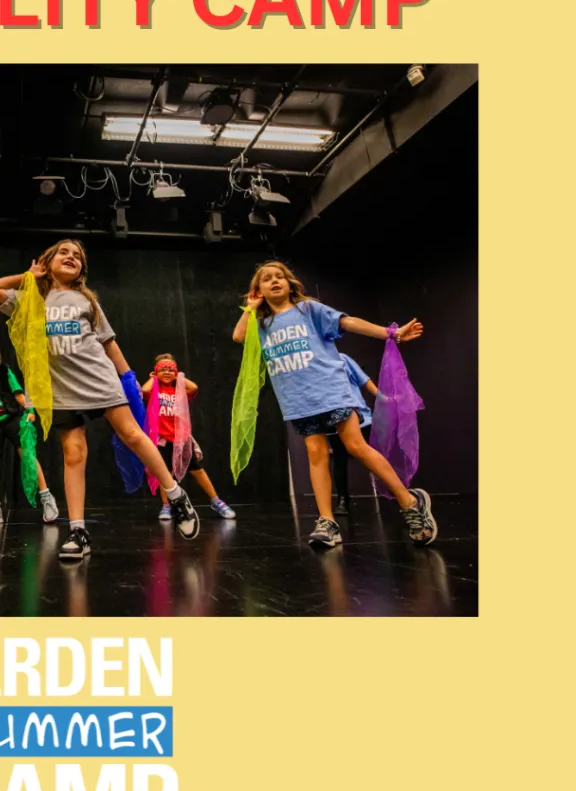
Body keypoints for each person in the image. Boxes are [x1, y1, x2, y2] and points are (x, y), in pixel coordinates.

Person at [0, 240, 199, 560]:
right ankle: (78, 531)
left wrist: (129, 378)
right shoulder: (28, 298)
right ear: (47, 261)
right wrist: (26, 277)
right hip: (61, 389)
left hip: (99, 379)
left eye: (77, 256)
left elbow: (108, 343)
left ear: (82, 269)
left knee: (133, 435)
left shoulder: (86, 299)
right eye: (64, 253)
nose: (71, 257)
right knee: (73, 453)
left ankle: (176, 496)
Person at [232, 261, 437, 549]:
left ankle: (410, 502)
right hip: (297, 399)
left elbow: (348, 322)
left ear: (290, 284)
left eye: (280, 276)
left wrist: (390, 333)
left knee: (355, 446)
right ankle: (327, 522)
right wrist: (251, 309)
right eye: (267, 279)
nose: (274, 281)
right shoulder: (261, 323)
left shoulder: (308, 310)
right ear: (258, 290)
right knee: (316, 454)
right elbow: (239, 337)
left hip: (330, 390)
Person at [142, 353, 235, 521]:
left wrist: (179, 377)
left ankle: (216, 501)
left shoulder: (180, 391)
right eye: (162, 369)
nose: (167, 372)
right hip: (162, 440)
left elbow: (194, 388)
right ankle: (166, 506)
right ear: (155, 372)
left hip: (181, 440)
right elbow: (144, 390)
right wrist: (154, 378)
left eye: (171, 369)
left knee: (197, 470)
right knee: (164, 473)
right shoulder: (155, 391)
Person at [0, 353, 59, 522]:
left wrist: (31, 410)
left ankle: (46, 497)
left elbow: (19, 395)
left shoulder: (4, 372)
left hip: (11, 418)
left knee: (28, 456)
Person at [328, 354, 377, 516]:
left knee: (374, 455)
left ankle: (399, 492)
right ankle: (343, 500)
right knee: (339, 460)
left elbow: (364, 380)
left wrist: (383, 398)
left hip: (360, 417)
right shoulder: (312, 363)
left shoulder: (341, 358)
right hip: (334, 421)